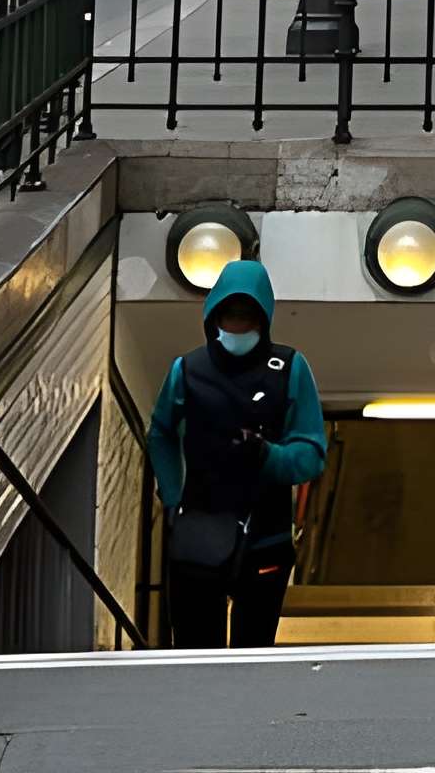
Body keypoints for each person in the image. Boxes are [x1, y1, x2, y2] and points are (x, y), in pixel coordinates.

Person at [148, 261, 325, 648]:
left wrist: (267, 456)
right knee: (194, 657)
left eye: (247, 316)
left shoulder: (290, 369)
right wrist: (173, 496)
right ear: (214, 315)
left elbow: (312, 453)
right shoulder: (186, 370)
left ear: (264, 318)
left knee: (252, 659)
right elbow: (159, 431)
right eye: (230, 314)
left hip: (266, 539)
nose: (237, 326)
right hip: (200, 537)